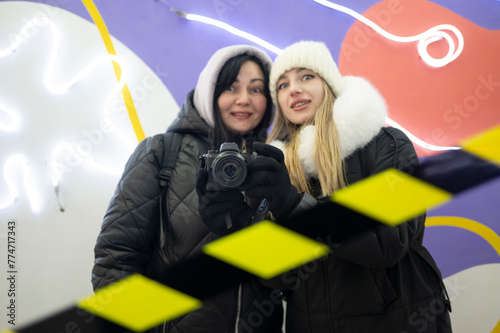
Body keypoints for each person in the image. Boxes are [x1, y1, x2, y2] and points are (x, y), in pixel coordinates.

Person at [241, 41, 452, 332]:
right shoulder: (279, 170)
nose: (294, 89)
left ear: (328, 84)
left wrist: (296, 206)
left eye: (306, 76)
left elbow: (390, 241)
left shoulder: (387, 145)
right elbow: (276, 278)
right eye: (282, 85)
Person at [92, 45, 283, 332]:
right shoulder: (161, 153)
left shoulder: (276, 165)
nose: (244, 100)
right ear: (209, 92)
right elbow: (115, 260)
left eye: (256, 90)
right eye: (230, 88)